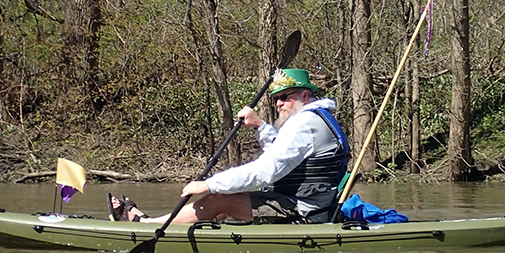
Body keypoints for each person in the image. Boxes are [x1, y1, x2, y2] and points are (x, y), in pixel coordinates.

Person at [108, 68, 350, 225]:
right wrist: (260, 127)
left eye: (286, 97)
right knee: (222, 203)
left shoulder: (305, 123)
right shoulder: (314, 119)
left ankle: (146, 225)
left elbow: (265, 171)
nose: (278, 103)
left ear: (304, 96)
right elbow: (286, 153)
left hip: (302, 211)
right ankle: (165, 223)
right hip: (303, 202)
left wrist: (209, 184)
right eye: (276, 98)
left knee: (219, 199)